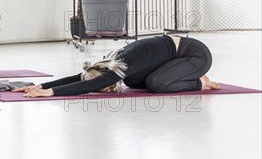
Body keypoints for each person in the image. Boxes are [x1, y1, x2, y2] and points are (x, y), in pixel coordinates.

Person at [14, 35, 220, 97]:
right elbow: (81, 78)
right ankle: (185, 76)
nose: (102, 89)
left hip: (196, 56)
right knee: (138, 82)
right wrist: (42, 85)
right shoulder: (109, 64)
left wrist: (50, 92)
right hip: (175, 58)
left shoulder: (121, 65)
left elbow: (88, 85)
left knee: (157, 84)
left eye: (100, 85)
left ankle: (200, 82)